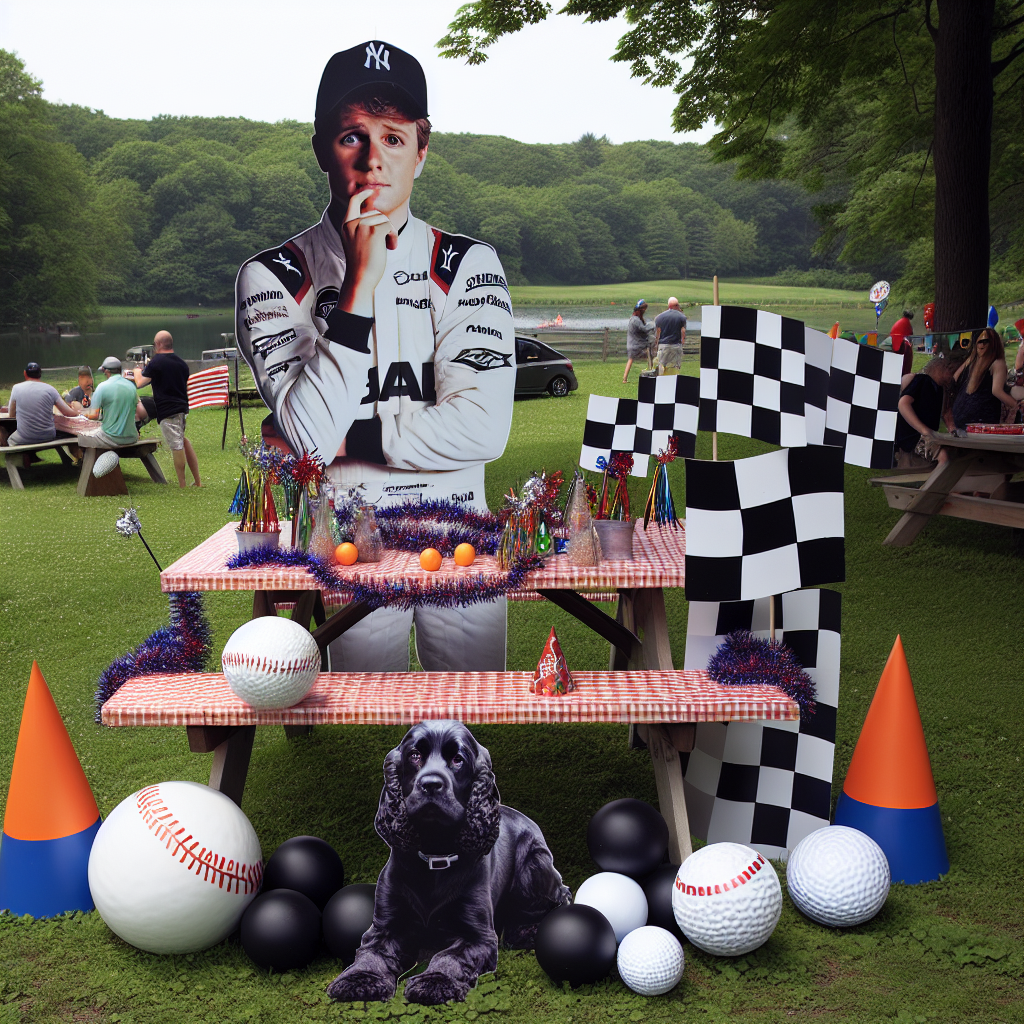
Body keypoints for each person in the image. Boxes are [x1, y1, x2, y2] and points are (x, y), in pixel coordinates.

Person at [234, 40, 515, 674]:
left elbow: (485, 427)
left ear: (422, 148)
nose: (372, 159)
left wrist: (349, 434)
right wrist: (357, 292)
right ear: (320, 148)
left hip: (459, 528)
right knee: (362, 703)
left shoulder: (468, 263)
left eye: (392, 137)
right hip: (344, 538)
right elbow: (307, 443)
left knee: (468, 704)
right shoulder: (274, 275)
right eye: (351, 136)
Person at [134, 331, 200, 487]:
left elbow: (140, 383)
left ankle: (182, 484)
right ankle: (197, 481)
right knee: (182, 441)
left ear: (157, 345)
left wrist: (137, 372)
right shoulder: (182, 364)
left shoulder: (157, 362)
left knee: (177, 446)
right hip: (182, 409)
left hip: (168, 411)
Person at [950, 328, 1019, 430]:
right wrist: (1016, 406)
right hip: (982, 420)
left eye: (985, 341)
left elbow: (954, 379)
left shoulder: (972, 362)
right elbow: (997, 391)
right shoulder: (997, 363)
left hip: (958, 418)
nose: (982, 345)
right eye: (979, 342)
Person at [894, 356, 954, 467]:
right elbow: (903, 404)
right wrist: (924, 430)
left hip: (920, 438)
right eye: (949, 370)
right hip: (914, 438)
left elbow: (946, 412)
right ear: (939, 369)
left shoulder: (940, 389)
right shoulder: (922, 380)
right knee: (943, 458)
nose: (951, 375)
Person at [6, 362, 77, 445]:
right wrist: (79, 412)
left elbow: (11, 415)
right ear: (40, 374)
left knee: (9, 439)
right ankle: (32, 457)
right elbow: (67, 412)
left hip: (25, 436)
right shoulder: (51, 389)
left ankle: (26, 457)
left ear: (25, 373)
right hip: (48, 436)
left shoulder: (16, 388)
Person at [83, 357, 140, 447]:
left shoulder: (102, 387)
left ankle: (88, 460)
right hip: (132, 437)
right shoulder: (131, 386)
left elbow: (94, 415)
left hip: (111, 438)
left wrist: (81, 414)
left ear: (106, 371)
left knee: (82, 437)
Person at [624, 299, 656, 382]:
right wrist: (653, 324)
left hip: (632, 344)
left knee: (630, 360)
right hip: (637, 345)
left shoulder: (633, 319)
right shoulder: (636, 320)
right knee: (651, 356)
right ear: (639, 310)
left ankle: (625, 379)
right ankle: (651, 372)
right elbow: (644, 329)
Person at [654, 296, 687, 375]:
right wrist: (682, 340)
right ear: (675, 305)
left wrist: (656, 343)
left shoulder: (659, 317)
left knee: (662, 366)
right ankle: (674, 383)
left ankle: (661, 382)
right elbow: (683, 331)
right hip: (676, 345)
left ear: (669, 306)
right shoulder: (682, 317)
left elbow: (657, 332)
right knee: (675, 367)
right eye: (677, 305)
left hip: (663, 345)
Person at [889, 309, 916, 377]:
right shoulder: (906, 323)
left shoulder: (900, 322)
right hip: (900, 345)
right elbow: (910, 334)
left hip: (894, 344)